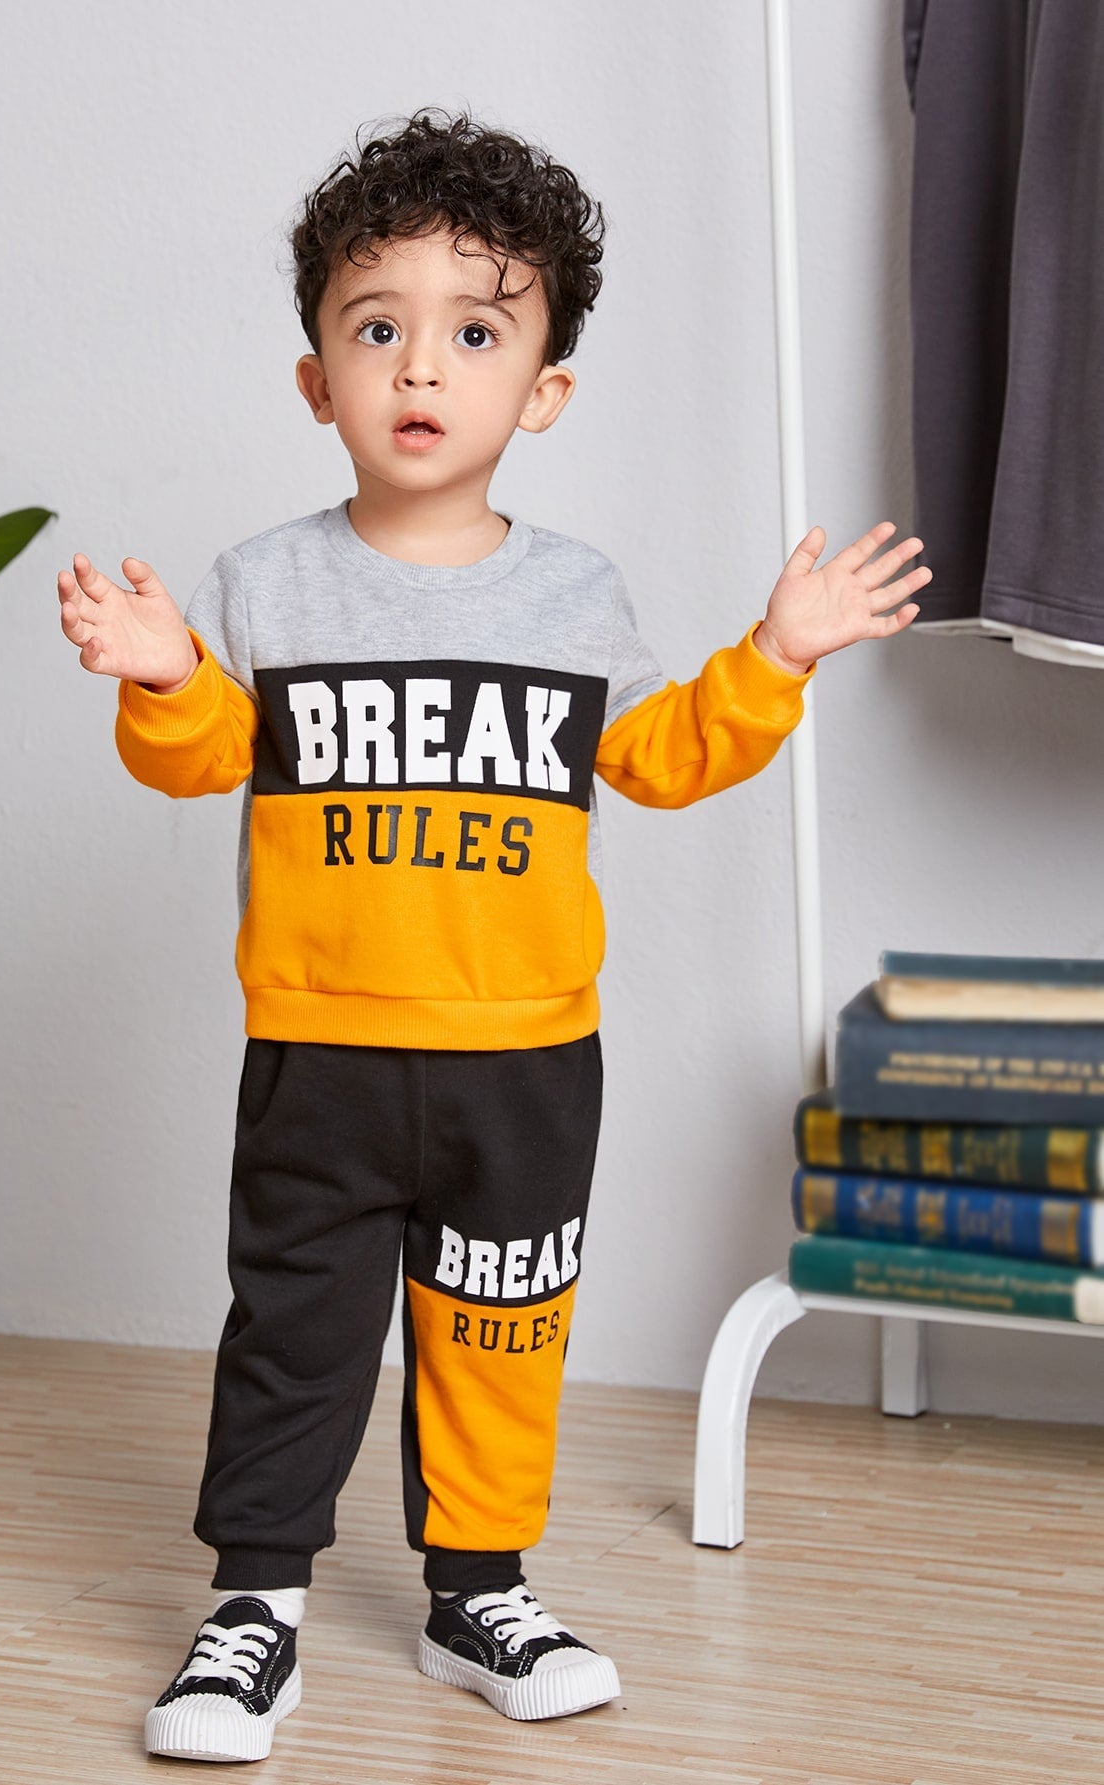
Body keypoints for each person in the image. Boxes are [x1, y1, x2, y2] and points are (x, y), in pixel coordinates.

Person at [57, 108, 929, 1765]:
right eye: (375, 328)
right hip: (320, 1044)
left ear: (542, 392)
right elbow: (197, 765)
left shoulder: (576, 595)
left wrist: (776, 655)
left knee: (499, 1332)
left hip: (527, 1052)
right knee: (296, 1329)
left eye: (474, 331)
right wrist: (165, 673)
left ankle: (480, 1589)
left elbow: (660, 761)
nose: (419, 366)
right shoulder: (260, 585)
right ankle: (256, 1607)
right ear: (318, 377)